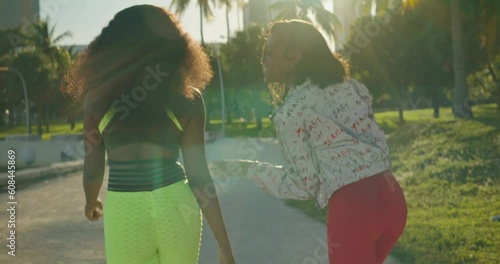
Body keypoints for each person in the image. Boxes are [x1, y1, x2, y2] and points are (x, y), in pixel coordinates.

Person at [212, 20, 407, 264]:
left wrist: (248, 168)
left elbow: (305, 186)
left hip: (354, 210)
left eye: (269, 54)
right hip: (392, 199)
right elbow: (376, 142)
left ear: (294, 57)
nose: (263, 60)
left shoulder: (290, 112)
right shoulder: (351, 87)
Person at [61, 5, 235, 264]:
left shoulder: (97, 102)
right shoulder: (188, 100)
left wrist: (91, 203)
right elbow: (199, 177)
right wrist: (223, 244)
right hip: (178, 207)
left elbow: (93, 171)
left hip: (125, 209)